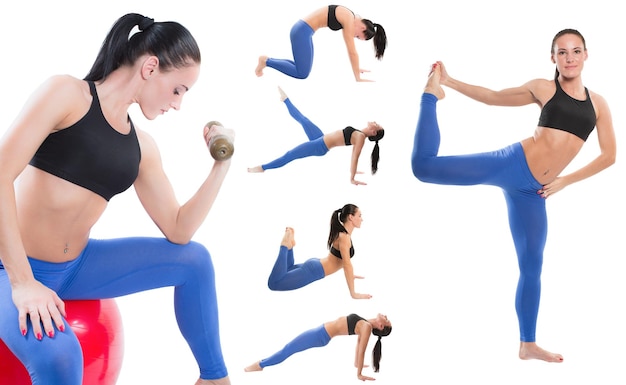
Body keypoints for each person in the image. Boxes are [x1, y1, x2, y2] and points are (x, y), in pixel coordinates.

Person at [0, 13, 235, 385]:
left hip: (75, 267)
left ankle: (214, 379)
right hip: (7, 268)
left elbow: (178, 230)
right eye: (178, 89)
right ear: (151, 67)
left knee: (195, 261)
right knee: (61, 356)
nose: (177, 105)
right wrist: (23, 282)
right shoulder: (66, 95)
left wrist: (221, 166)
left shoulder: (142, 147)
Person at [411, 29, 616, 363]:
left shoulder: (599, 105)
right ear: (553, 57)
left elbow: (609, 156)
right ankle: (429, 97)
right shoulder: (544, 88)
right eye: (562, 52)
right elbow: (493, 96)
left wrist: (565, 181)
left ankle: (527, 344)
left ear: (586, 55)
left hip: (534, 194)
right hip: (511, 164)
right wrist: (448, 81)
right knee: (424, 168)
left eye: (576, 51)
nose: (569, 58)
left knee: (532, 265)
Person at [248, 87, 384, 185]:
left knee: (289, 155)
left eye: (376, 125)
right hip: (320, 138)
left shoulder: (360, 138)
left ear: (373, 132)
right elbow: (353, 157)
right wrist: (352, 171)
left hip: (320, 146)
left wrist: (352, 177)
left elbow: (355, 158)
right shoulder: (359, 134)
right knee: (303, 119)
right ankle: (285, 99)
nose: (374, 122)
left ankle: (262, 168)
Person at [254, 5, 387, 81]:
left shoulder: (351, 16)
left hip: (305, 32)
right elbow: (352, 52)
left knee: (302, 69)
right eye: (358, 36)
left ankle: (267, 61)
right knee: (302, 73)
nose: (354, 36)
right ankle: (266, 61)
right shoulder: (348, 18)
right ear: (363, 27)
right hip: (302, 32)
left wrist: (356, 68)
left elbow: (353, 53)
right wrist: (357, 77)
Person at [244, 313, 392, 381]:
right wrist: (356, 364)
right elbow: (359, 343)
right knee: (288, 348)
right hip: (320, 333)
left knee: (288, 349)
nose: (385, 316)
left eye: (387, 320)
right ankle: (261, 364)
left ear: (380, 326)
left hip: (320, 335)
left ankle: (260, 364)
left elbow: (362, 351)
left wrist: (359, 374)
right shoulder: (365, 324)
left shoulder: (365, 326)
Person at [267, 204, 372, 299]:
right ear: (351, 217)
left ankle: (289, 247)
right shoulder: (344, 237)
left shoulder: (343, 234)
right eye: (359, 215)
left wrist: (351, 276)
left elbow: (343, 262)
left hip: (316, 265)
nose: (361, 219)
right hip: (315, 270)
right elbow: (347, 265)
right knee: (274, 283)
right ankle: (285, 245)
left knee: (287, 269)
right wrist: (353, 293)